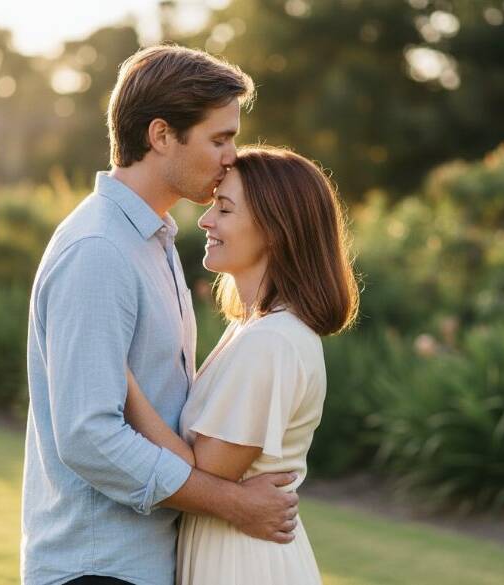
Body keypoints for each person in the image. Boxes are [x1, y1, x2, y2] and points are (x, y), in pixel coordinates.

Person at [21, 46, 301, 585]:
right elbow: (88, 435)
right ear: (161, 135)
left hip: (141, 566)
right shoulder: (99, 249)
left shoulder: (155, 239)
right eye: (219, 138)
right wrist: (230, 502)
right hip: (99, 568)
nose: (231, 156)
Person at [123, 145, 360, 584]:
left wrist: (122, 379)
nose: (206, 221)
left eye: (225, 209)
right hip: (229, 551)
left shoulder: (272, 341)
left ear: (274, 230)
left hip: (244, 564)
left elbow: (202, 474)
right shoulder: (252, 330)